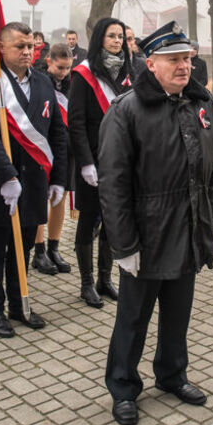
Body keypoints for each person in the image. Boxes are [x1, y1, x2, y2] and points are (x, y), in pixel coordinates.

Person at [98, 21, 213, 425]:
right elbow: (113, 185)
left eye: (187, 58)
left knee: (178, 313)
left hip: (189, 229)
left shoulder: (201, 103)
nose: (184, 66)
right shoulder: (128, 110)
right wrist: (124, 245)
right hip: (147, 235)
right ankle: (123, 386)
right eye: (174, 60)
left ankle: (172, 375)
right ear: (150, 64)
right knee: (133, 318)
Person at [0, 22, 67, 338]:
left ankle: (19, 303)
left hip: (34, 181)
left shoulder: (42, 81)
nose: (27, 51)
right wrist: (7, 176)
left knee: (22, 249)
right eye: (19, 46)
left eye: (30, 46)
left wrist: (59, 177)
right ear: (1, 48)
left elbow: (56, 132)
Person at [69, 18, 134, 307]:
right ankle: (86, 283)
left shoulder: (129, 71)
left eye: (121, 36)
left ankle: (105, 279)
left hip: (120, 161)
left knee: (112, 221)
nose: (117, 41)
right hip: (93, 162)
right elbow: (77, 122)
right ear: (100, 39)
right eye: (111, 36)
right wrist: (85, 162)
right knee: (88, 220)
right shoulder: (83, 74)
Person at [31, 43, 75, 275]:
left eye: (68, 68)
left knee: (60, 198)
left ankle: (54, 247)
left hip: (65, 149)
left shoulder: (72, 83)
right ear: (49, 61)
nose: (64, 72)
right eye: (60, 67)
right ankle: (39, 251)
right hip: (43, 147)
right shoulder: (37, 80)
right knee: (42, 197)